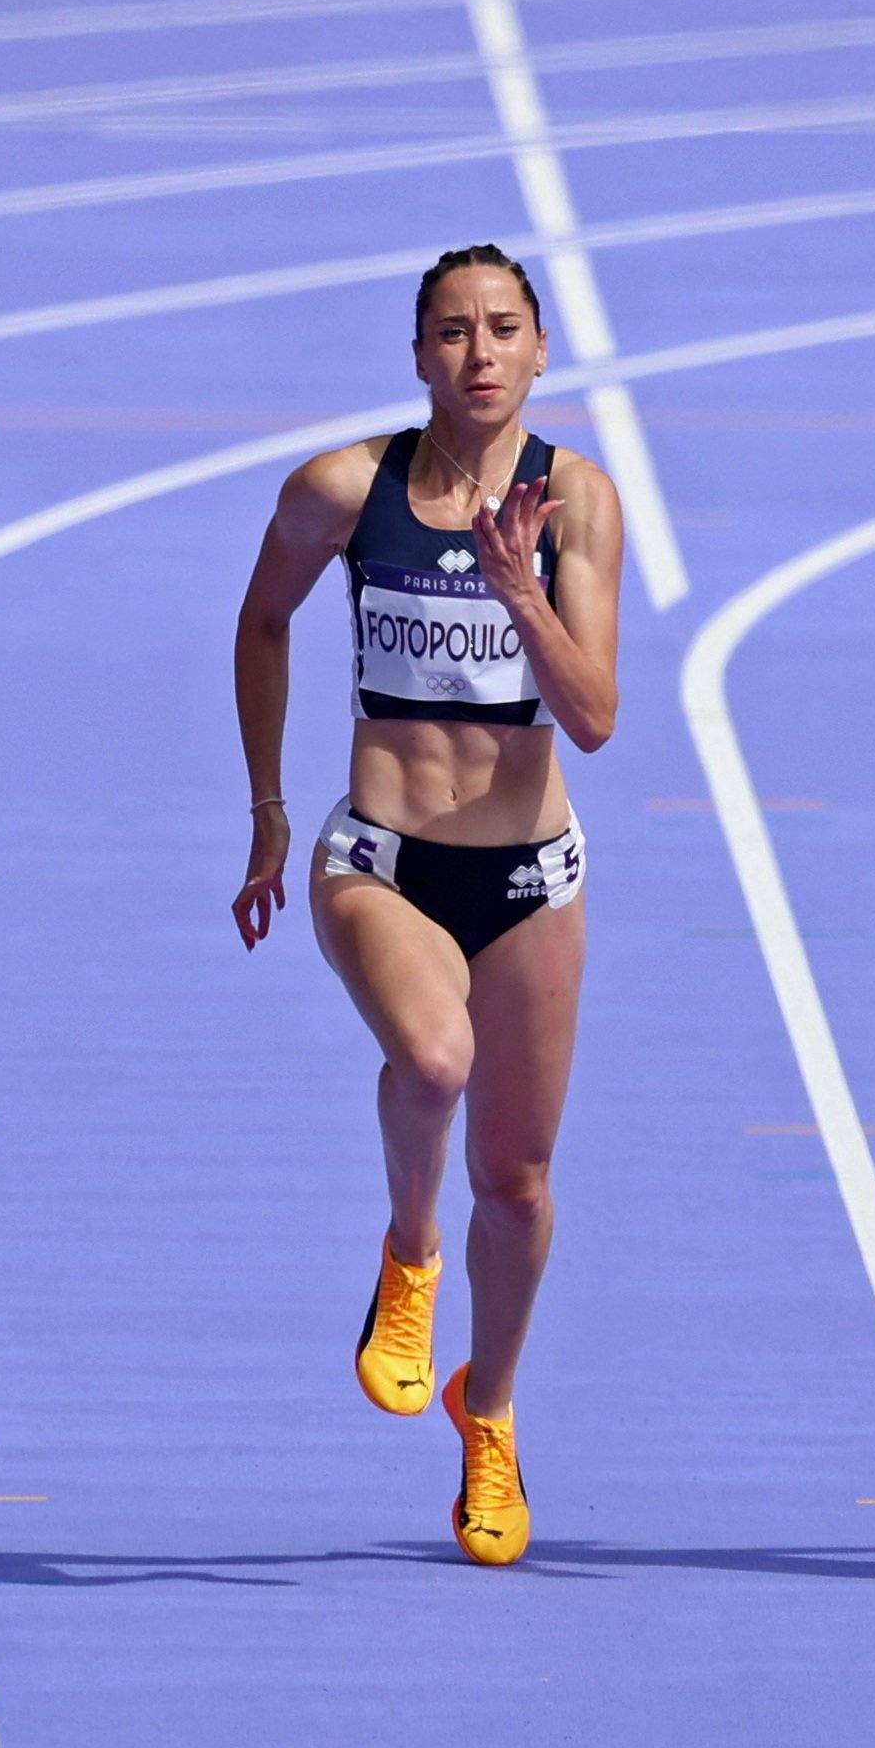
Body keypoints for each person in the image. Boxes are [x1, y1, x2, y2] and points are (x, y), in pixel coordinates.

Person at [230, 244, 624, 1566]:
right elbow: (262, 621)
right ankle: (407, 1258)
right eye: (451, 332)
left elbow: (595, 718)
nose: (478, 353)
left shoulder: (578, 504)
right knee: (433, 1055)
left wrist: (520, 588)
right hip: (381, 855)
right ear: (416, 354)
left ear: (540, 347)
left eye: (502, 329)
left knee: (515, 1185)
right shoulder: (346, 490)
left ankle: (491, 1411)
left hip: (526, 875)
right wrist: (270, 811)